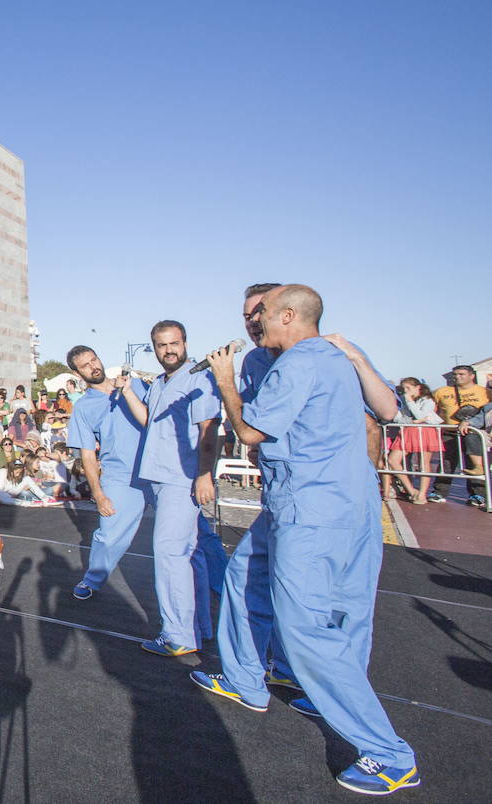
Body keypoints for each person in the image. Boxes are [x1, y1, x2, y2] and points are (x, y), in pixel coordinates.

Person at [196, 284, 419, 796]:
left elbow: (250, 431)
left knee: (305, 627)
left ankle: (388, 752)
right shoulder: (334, 358)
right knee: (253, 577)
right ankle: (249, 679)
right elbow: (382, 411)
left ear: (289, 315)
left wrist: (226, 381)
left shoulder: (296, 362)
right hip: (342, 497)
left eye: (265, 314)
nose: (258, 323)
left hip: (311, 505)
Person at [117, 320, 225, 656]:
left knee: (170, 554)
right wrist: (128, 392)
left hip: (182, 477)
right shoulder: (162, 382)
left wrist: (205, 474)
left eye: (174, 343)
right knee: (189, 556)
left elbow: (210, 429)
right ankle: (198, 628)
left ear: (185, 342)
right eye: (162, 345)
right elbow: (150, 419)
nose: (169, 350)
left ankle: (178, 634)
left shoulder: (198, 378)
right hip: (161, 478)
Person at [64, 346, 151, 601]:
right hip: (120, 476)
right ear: (77, 373)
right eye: (85, 365)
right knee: (109, 535)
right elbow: (88, 456)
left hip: (158, 468)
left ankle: (218, 579)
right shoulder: (83, 408)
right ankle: (93, 580)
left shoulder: (134, 385)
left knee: (196, 532)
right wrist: (99, 493)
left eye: (94, 359)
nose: (93, 366)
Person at [430, 364, 490, 507]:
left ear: (471, 376)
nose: (457, 377)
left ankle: (478, 495)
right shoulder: (441, 392)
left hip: (474, 433)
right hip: (450, 432)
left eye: (461, 374)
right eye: (455, 374)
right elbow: (431, 410)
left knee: (475, 464)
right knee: (447, 462)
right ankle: (439, 492)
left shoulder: (485, 392)